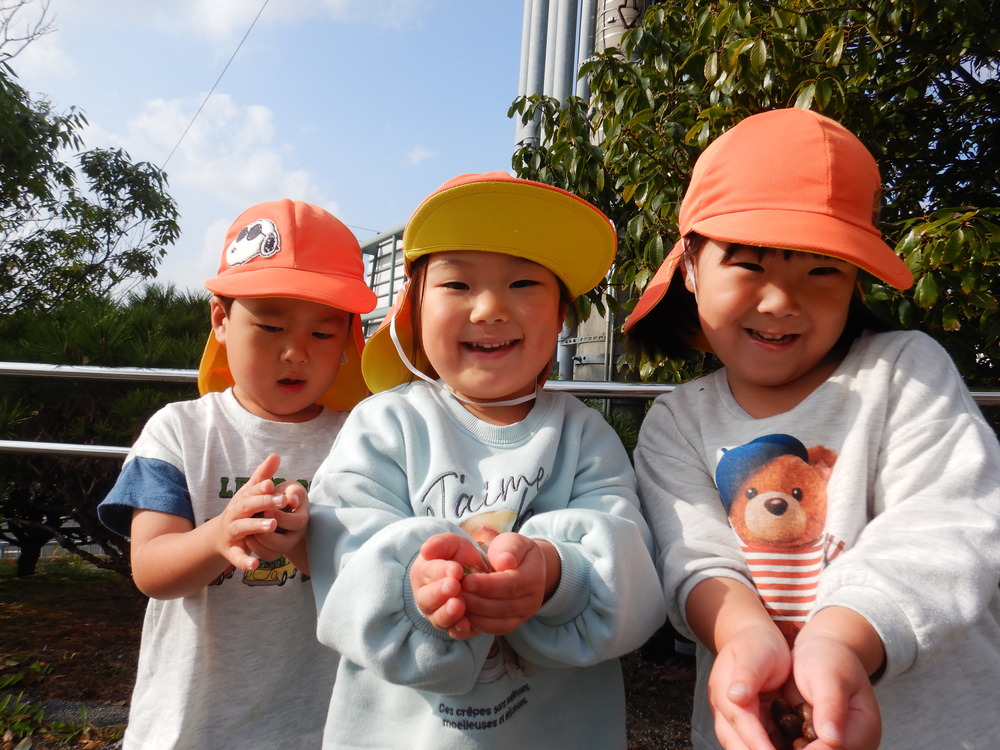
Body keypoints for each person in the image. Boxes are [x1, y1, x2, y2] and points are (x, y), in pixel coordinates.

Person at [625, 107, 1000, 749]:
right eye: (748, 263)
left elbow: (945, 528)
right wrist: (744, 638)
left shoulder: (903, 372)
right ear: (689, 264)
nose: (780, 301)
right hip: (749, 726)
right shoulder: (677, 421)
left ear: (855, 278)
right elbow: (693, 559)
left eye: (821, 269)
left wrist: (840, 640)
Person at [306, 172, 666, 749]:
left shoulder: (584, 436)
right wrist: (415, 588)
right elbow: (343, 557)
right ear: (414, 310)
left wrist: (554, 572)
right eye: (457, 284)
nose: (491, 308)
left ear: (561, 317)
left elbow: (629, 568)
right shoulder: (384, 427)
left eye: (523, 283)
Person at [98, 199, 377, 750]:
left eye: (323, 334)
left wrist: (303, 544)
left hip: (320, 724)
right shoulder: (179, 432)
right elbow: (152, 570)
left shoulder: (365, 439)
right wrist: (219, 533)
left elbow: (374, 576)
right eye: (271, 325)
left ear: (349, 340)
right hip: (190, 722)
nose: (295, 352)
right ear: (221, 321)